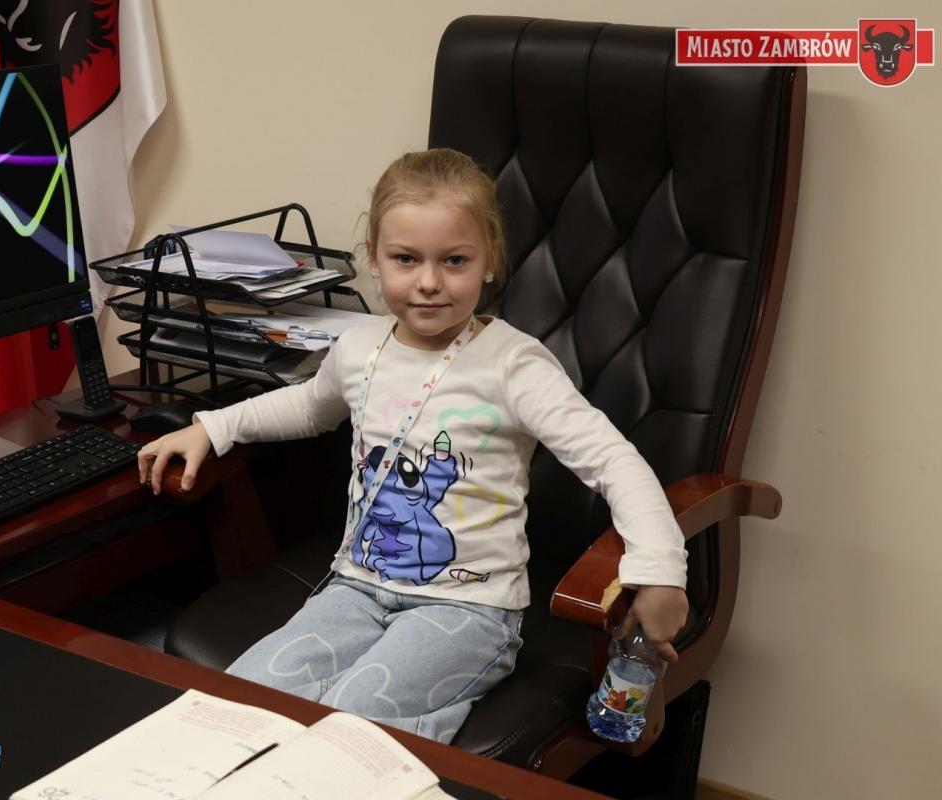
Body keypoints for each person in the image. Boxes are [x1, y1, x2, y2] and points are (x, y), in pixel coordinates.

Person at [137, 149, 689, 744]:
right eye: (406, 258)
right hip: (355, 590)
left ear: (489, 261)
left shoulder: (514, 365)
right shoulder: (359, 347)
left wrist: (661, 572)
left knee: (351, 721)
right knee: (243, 700)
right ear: (374, 257)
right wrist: (213, 427)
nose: (428, 282)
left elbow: (612, 460)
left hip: (470, 609)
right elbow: (307, 407)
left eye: (454, 260)